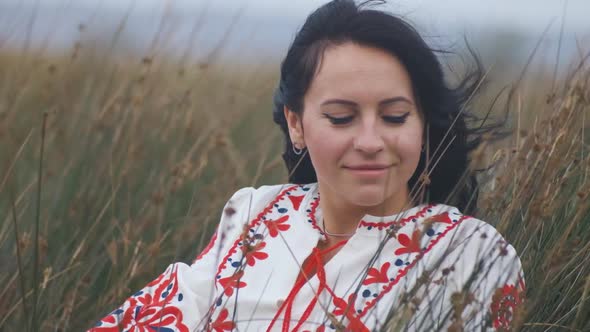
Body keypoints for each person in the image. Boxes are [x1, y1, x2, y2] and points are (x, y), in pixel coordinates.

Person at [90, 0, 525, 331]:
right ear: (296, 125)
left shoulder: (474, 255)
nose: (371, 142)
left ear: (424, 122)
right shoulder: (254, 214)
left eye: (395, 116)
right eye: (341, 117)